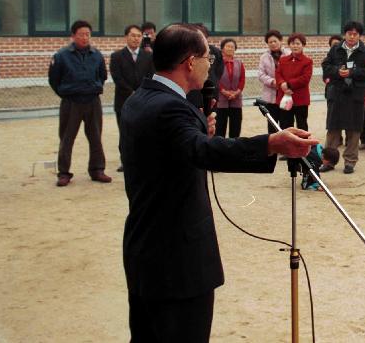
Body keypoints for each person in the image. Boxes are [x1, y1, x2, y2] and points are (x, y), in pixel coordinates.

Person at [120, 23, 317, 343]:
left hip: (146, 251)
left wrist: (197, 134)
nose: (209, 65)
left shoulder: (141, 98)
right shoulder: (169, 108)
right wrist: (271, 144)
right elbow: (203, 151)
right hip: (176, 261)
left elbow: (181, 149)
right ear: (188, 62)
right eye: (206, 59)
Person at [48, 20, 110, 187]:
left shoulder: (96, 55)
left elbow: (102, 75)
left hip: (92, 101)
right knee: (67, 138)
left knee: (96, 137)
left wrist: (94, 88)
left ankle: (97, 169)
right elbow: (54, 79)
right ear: (73, 36)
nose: (85, 37)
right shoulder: (61, 56)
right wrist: (66, 92)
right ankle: (64, 173)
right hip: (71, 102)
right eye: (81, 34)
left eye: (88, 34)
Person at [321, 21, 365, 174]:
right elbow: (326, 67)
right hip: (337, 94)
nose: (352, 36)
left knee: (353, 131)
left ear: (359, 35)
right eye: (349, 33)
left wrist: (353, 73)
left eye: (355, 34)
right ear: (344, 34)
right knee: (333, 130)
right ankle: (328, 161)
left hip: (355, 96)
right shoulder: (335, 49)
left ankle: (350, 162)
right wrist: (338, 71)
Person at [110, 24, 154, 171]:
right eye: (133, 35)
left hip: (144, 100)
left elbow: (151, 76)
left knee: (144, 131)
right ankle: (126, 161)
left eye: (138, 36)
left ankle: (143, 159)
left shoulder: (148, 56)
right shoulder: (116, 56)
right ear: (126, 37)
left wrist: (142, 92)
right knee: (125, 133)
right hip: (123, 100)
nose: (136, 39)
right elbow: (117, 78)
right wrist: (131, 92)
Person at [275, 33, 313, 131]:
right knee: (285, 124)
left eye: (298, 43)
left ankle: (303, 145)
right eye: (292, 43)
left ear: (303, 45)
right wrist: (282, 84)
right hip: (285, 97)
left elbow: (305, 78)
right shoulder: (283, 60)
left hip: (300, 99)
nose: (295, 46)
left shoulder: (307, 61)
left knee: (302, 124)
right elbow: (278, 74)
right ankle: (287, 145)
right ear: (289, 45)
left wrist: (288, 85)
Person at [257, 30, 289, 133]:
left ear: (280, 41)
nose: (273, 44)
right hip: (270, 96)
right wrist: (272, 82)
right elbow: (261, 75)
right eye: (270, 42)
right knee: (272, 123)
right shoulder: (264, 57)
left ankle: (286, 146)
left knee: (286, 122)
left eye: (275, 41)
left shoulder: (289, 54)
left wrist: (282, 82)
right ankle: (273, 146)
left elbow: (293, 72)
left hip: (286, 95)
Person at [216, 38, 244, 138]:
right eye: (228, 46)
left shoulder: (239, 63)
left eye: (232, 47)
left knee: (236, 126)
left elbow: (242, 80)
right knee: (220, 126)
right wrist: (224, 91)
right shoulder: (217, 63)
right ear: (222, 49)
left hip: (236, 98)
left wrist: (236, 92)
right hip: (221, 98)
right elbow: (216, 79)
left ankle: (234, 148)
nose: (230, 48)